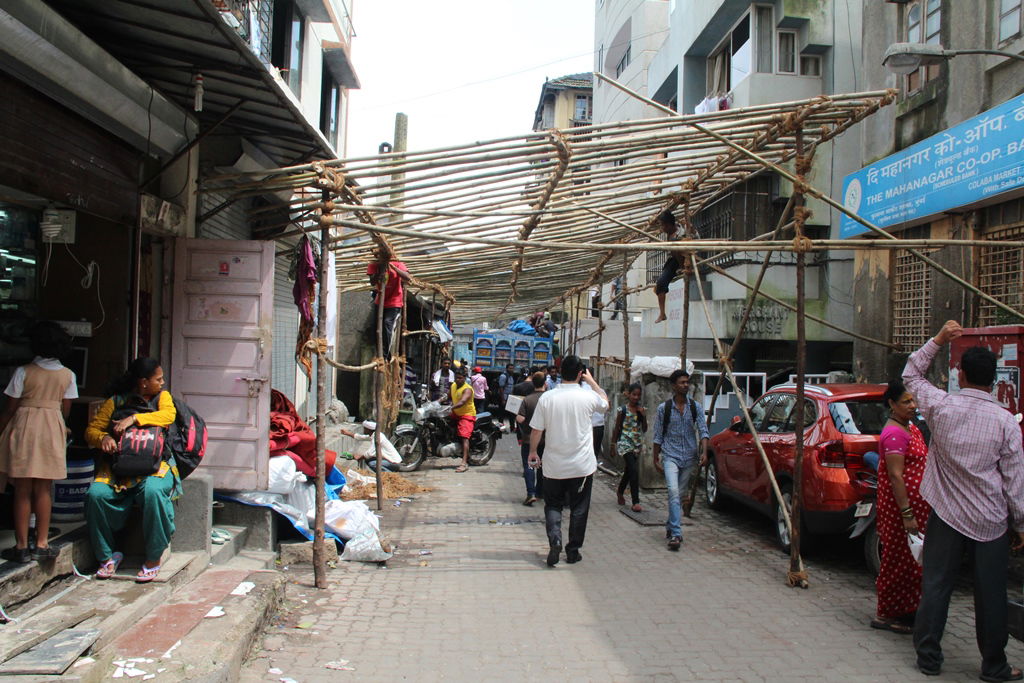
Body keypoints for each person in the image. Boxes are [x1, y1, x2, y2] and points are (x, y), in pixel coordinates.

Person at [904, 320, 1024, 680]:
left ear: (960, 373)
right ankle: (994, 666)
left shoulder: (942, 407)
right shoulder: (1005, 422)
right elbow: (1014, 482)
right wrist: (1019, 523)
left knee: (937, 585)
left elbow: (911, 376)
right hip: (991, 521)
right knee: (990, 594)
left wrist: (938, 340)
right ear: (993, 379)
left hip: (946, 514)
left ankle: (928, 658)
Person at [84, 358, 179, 582]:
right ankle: (107, 557)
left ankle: (153, 557)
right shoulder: (115, 402)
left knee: (153, 492)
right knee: (95, 495)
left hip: (155, 467)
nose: (163, 382)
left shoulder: (162, 398)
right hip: (119, 469)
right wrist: (104, 438)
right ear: (143, 382)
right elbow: (91, 431)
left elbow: (168, 416)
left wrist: (134, 418)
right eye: (158, 379)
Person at [0, 321, 77, 563]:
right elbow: (66, 409)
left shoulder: (23, 371)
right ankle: (42, 543)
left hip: (24, 428)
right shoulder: (68, 375)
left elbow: (10, 407)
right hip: (51, 429)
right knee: (44, 489)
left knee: (22, 489)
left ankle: (21, 546)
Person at [528, 355, 608, 567]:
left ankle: (555, 538)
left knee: (553, 505)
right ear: (580, 374)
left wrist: (533, 452)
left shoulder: (547, 397)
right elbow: (605, 403)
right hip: (582, 466)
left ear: (560, 371)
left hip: (553, 465)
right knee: (579, 507)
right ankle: (573, 551)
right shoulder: (588, 397)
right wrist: (591, 382)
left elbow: (536, 430)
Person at [871, 379, 930, 635]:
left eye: (913, 400)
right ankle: (889, 614)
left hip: (919, 508)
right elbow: (896, 476)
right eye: (906, 401)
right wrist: (907, 514)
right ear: (892, 404)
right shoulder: (894, 433)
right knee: (899, 561)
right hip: (900, 511)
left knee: (913, 561)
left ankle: (909, 610)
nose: (912, 405)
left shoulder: (910, 427)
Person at [653, 369, 709, 551]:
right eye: (682, 382)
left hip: (689, 457)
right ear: (674, 386)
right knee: (673, 491)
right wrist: (656, 457)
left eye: (687, 382)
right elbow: (658, 434)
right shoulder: (664, 409)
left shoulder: (695, 407)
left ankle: (670, 525)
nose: (686, 385)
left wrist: (705, 452)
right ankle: (677, 533)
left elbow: (703, 430)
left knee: (679, 494)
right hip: (670, 455)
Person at [366, 249, 411, 361]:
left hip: (394, 301)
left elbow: (408, 277)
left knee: (387, 324)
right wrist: (379, 270)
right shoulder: (374, 264)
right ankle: (379, 352)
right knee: (376, 327)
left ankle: (385, 355)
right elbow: (372, 282)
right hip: (380, 299)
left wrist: (393, 268)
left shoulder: (397, 263)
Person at [613, 383, 647, 512]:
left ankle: (620, 491)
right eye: (634, 394)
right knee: (633, 470)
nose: (636, 397)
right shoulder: (623, 410)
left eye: (638, 395)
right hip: (624, 443)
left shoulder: (641, 410)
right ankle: (636, 501)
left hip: (636, 444)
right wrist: (613, 444)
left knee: (629, 471)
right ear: (629, 394)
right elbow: (617, 428)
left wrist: (643, 416)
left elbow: (644, 429)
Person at [516, 372, 546, 506]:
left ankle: (531, 494)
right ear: (545, 383)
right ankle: (540, 492)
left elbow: (520, 419)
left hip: (529, 439)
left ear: (533, 384)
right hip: (545, 440)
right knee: (541, 467)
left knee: (529, 465)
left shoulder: (527, 400)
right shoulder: (549, 399)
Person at [654, 210, 682, 324]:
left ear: (668, 225)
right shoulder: (670, 233)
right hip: (673, 260)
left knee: (675, 245)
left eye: (662, 225)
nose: (662, 228)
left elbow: (695, 240)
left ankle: (662, 313)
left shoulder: (682, 232)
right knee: (659, 286)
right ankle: (662, 313)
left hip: (684, 258)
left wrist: (682, 265)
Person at [449, 368, 476, 473]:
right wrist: (437, 402)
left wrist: (451, 407)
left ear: (465, 378)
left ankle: (464, 463)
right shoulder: (453, 385)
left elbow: (463, 401)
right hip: (456, 413)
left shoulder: (467, 389)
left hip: (467, 415)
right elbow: (447, 396)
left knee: (464, 437)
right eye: (456, 377)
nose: (458, 380)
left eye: (460, 378)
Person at [498, 363, 517, 428]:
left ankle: (512, 427)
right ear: (506, 369)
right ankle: (501, 427)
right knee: (502, 413)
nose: (511, 370)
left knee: (511, 413)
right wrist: (503, 399)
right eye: (510, 368)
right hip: (504, 398)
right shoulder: (503, 376)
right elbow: (501, 388)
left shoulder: (511, 376)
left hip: (510, 398)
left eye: (512, 368)